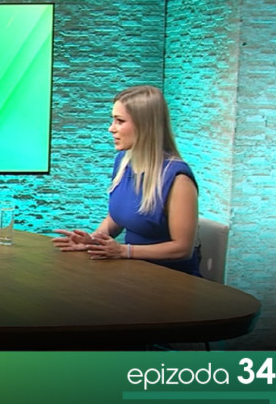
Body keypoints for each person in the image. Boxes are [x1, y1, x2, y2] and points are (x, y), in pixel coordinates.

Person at [52, 85, 200, 275]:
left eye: (119, 121)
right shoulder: (123, 162)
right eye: (112, 120)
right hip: (133, 273)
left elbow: (182, 249)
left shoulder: (178, 179)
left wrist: (124, 251)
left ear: (145, 126)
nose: (111, 129)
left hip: (171, 280)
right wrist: (93, 241)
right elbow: (116, 218)